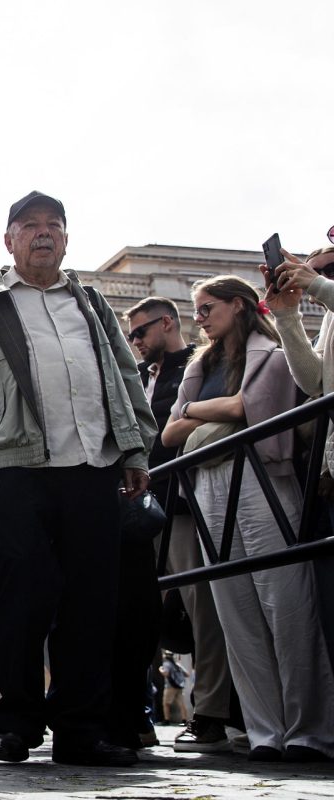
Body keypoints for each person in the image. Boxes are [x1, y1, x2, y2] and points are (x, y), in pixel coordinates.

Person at [0, 191, 156, 767]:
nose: (43, 234)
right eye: (30, 226)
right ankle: (18, 724)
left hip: (92, 463)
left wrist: (134, 448)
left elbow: (123, 376)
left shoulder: (91, 303)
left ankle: (81, 729)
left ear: (66, 238)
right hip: (14, 464)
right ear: (10, 240)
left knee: (91, 598)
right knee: (26, 592)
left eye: (53, 225)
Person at [165, 274, 334, 762]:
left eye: (206, 307)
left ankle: (309, 729)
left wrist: (197, 413)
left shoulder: (272, 353)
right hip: (209, 483)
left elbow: (252, 408)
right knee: (235, 608)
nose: (199, 317)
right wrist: (211, 414)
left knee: (286, 603)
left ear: (238, 306)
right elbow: (172, 434)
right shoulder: (201, 364)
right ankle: (265, 730)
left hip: (263, 475)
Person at [126, 295, 236, 753]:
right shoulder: (139, 377)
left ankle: (211, 713)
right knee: (136, 610)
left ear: (166, 323)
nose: (134, 343)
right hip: (142, 506)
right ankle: (136, 716)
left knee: (201, 603)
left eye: (140, 333)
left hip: (184, 502)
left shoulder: (198, 364)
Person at [159, 653, 187, 724]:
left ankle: (167, 720)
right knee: (181, 704)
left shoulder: (166, 664)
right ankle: (184, 720)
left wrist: (160, 669)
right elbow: (187, 674)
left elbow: (166, 674)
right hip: (179, 686)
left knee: (166, 703)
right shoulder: (177, 665)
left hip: (170, 686)